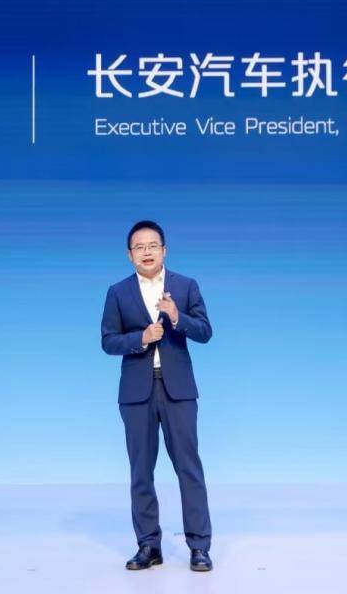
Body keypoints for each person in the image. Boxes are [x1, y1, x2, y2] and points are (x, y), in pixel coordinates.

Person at [100, 220, 214, 572]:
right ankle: (149, 545)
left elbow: (205, 331)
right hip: (136, 394)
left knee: (189, 468)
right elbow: (108, 341)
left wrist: (177, 317)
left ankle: (199, 547)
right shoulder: (117, 292)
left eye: (152, 245)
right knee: (141, 472)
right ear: (129, 255)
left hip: (178, 391)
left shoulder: (186, 286)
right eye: (139, 247)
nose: (146, 252)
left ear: (164, 250)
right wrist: (141, 338)